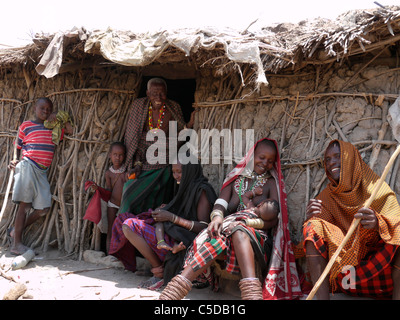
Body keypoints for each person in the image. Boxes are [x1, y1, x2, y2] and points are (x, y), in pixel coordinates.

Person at [159, 138, 303, 300]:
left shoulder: (270, 184)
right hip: (228, 234)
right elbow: (220, 204)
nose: (265, 163)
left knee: (239, 231)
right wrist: (217, 219)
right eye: (261, 157)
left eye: (270, 161)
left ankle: (252, 295)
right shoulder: (236, 179)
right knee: (216, 240)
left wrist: (246, 223)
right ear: (251, 155)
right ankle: (173, 293)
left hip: (258, 240)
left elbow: (274, 219)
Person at [303, 140, 400, 300]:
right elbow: (318, 235)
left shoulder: (378, 191)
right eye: (327, 159)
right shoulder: (326, 198)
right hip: (347, 279)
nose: (331, 162)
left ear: (350, 159)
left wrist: (378, 224)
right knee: (312, 227)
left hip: (382, 277)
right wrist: (312, 218)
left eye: (337, 156)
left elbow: (396, 224)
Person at [108, 160, 217, 290]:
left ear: (190, 171)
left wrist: (173, 218)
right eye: (174, 172)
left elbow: (204, 227)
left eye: (179, 172)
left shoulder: (202, 190)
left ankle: (158, 272)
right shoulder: (184, 187)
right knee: (125, 222)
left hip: (184, 244)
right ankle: (158, 268)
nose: (176, 176)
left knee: (130, 225)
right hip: (172, 235)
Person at [7, 97, 73, 256]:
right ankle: (16, 244)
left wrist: (58, 116)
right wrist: (15, 159)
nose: (45, 112)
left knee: (43, 209)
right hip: (28, 165)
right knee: (24, 205)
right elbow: (18, 146)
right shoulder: (26, 126)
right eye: (42, 108)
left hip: (42, 171)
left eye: (49, 109)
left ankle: (14, 230)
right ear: (35, 108)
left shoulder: (54, 127)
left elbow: (70, 130)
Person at [119, 78, 189, 216]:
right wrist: (138, 164)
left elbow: (181, 136)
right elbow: (134, 139)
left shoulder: (173, 108)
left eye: (162, 93)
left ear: (167, 93)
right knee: (129, 190)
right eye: (154, 93)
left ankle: (148, 223)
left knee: (161, 195)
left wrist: (190, 124)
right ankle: (125, 224)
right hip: (144, 161)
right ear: (147, 93)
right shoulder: (139, 107)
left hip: (166, 158)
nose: (158, 97)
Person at [104, 142, 127, 251]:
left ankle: (118, 253)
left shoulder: (126, 173)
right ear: (110, 155)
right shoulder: (108, 173)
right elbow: (109, 189)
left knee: (121, 231)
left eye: (121, 155)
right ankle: (109, 254)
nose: (117, 157)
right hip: (112, 204)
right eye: (115, 154)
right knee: (110, 230)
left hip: (123, 206)